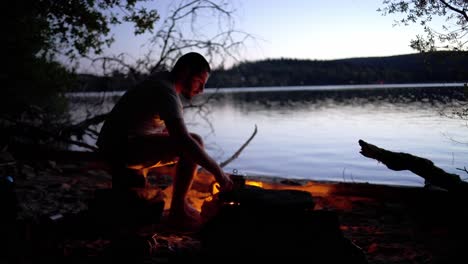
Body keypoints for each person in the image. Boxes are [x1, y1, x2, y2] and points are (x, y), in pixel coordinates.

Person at [96, 52, 233, 226]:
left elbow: (162, 131)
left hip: (116, 146)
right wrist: (219, 173)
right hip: (119, 150)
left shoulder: (162, 82)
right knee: (194, 142)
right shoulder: (165, 90)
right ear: (185, 71)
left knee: (135, 201)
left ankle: (151, 197)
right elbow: (183, 140)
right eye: (199, 81)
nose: (201, 89)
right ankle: (178, 210)